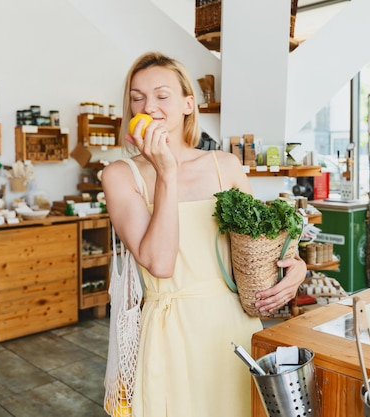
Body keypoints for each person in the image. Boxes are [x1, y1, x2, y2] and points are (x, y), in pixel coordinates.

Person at [102, 51, 307, 417]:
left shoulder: (224, 165)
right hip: (169, 333)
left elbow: (255, 249)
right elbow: (160, 263)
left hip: (233, 329)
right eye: (137, 98)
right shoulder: (119, 176)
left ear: (188, 104)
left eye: (162, 95)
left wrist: (295, 269)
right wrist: (166, 173)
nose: (149, 107)